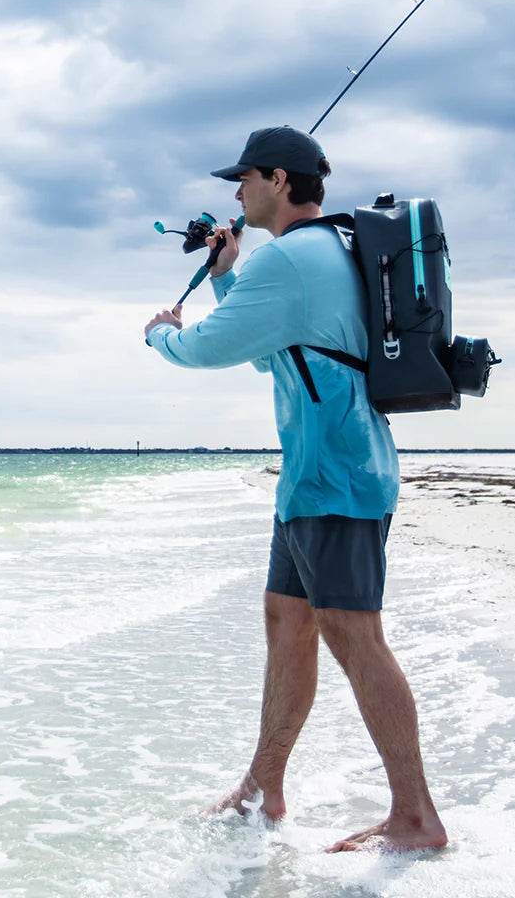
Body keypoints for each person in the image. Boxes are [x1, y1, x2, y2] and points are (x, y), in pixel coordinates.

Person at [143, 126, 447, 853]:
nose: (236, 194)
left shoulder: (290, 259)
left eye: (242, 180)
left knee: (356, 636)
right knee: (287, 620)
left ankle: (415, 817)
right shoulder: (323, 252)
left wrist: (161, 333)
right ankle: (264, 785)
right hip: (317, 478)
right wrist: (225, 274)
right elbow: (265, 348)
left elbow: (211, 347)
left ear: (279, 180)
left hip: (336, 476)